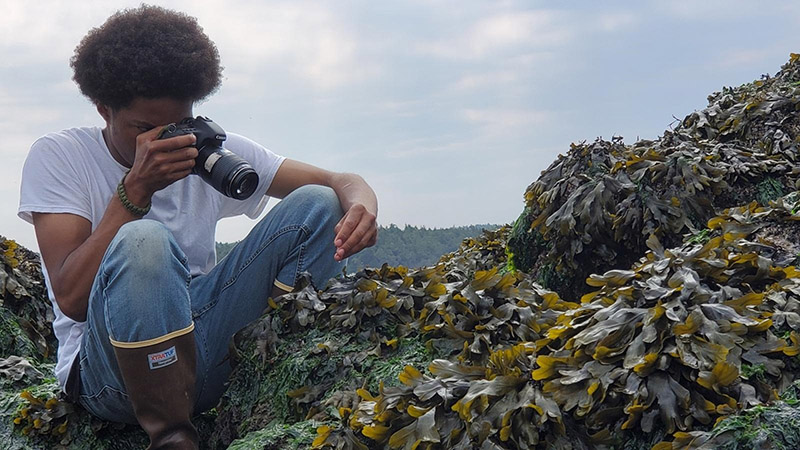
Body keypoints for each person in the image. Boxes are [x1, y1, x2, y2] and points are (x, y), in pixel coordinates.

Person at [17, 5, 378, 449]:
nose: (163, 141)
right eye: (143, 127)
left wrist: (361, 201)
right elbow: (72, 299)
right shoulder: (60, 156)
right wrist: (135, 192)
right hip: (111, 372)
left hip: (201, 343)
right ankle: (172, 436)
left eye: (176, 124)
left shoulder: (203, 150)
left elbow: (337, 183)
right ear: (102, 108)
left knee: (319, 205)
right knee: (143, 240)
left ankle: (268, 365)